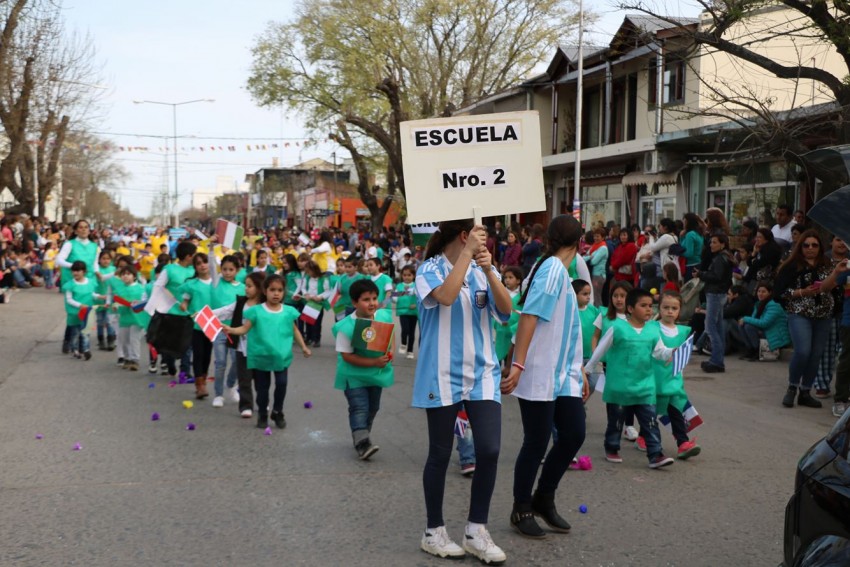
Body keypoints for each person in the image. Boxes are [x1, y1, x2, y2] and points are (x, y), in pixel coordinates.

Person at [413, 219, 512, 563]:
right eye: (479, 237)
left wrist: (487, 271)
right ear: (464, 236)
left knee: (489, 449)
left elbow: (506, 310)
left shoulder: (484, 267)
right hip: (441, 373)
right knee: (440, 453)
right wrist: (466, 257)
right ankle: (433, 531)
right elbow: (445, 296)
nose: (486, 244)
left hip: (483, 373)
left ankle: (476, 530)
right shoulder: (428, 268)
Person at [500, 215, 587, 540]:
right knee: (536, 443)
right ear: (579, 244)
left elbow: (566, 329)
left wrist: (578, 369)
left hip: (563, 373)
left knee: (574, 433)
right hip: (539, 370)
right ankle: (521, 507)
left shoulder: (557, 270)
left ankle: (543, 497)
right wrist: (518, 365)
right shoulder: (551, 270)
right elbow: (529, 317)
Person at [585, 287, 676, 468]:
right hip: (619, 385)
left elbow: (659, 352)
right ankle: (612, 447)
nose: (649, 310)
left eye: (650, 306)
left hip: (645, 386)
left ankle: (655, 454)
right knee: (616, 421)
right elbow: (601, 349)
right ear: (630, 309)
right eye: (643, 305)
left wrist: (673, 352)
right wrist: (587, 369)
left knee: (650, 422)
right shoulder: (617, 328)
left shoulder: (652, 330)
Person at [223, 274, 312, 429]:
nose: (276, 293)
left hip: (281, 356)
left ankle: (278, 411)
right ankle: (263, 413)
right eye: (272, 290)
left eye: (279, 290)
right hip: (261, 356)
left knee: (282, 384)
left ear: (284, 292)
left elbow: (294, 329)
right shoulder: (256, 311)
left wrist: (304, 347)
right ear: (265, 291)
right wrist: (231, 329)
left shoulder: (288, 311)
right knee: (263, 388)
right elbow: (245, 328)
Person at [332, 279, 395, 460]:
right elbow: (347, 356)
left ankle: (362, 434)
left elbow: (391, 334)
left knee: (372, 408)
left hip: (375, 376)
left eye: (374, 298)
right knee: (359, 408)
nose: (372, 303)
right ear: (354, 303)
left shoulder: (382, 316)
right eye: (366, 299)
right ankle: (362, 442)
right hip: (353, 376)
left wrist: (390, 352)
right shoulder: (346, 327)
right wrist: (374, 363)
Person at [775, 230, 836, 408]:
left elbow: (835, 287)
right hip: (799, 313)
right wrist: (801, 292)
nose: (810, 248)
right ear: (800, 246)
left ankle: (805, 391)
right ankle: (792, 388)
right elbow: (778, 293)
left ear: (820, 247)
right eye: (806, 245)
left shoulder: (828, 264)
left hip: (823, 315)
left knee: (816, 355)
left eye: (814, 245)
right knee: (803, 351)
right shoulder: (791, 266)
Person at [642, 292, 701, 459]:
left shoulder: (683, 331)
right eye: (666, 307)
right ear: (659, 308)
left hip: (674, 379)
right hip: (655, 378)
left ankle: (683, 443)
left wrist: (680, 374)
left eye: (674, 308)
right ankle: (642, 435)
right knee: (650, 410)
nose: (670, 311)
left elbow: (684, 354)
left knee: (676, 409)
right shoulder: (652, 328)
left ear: (679, 310)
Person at [213, 272, 265, 419]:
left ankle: (262, 403)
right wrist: (207, 314)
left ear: (260, 288)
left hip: (261, 348)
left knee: (261, 378)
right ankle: (246, 406)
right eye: (246, 286)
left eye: (249, 286)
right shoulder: (241, 302)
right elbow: (226, 311)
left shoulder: (265, 305)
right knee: (244, 378)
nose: (246, 289)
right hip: (242, 347)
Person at [693, 233, 733, 373]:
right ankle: (718, 360)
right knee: (718, 328)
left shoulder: (720, 258)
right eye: (711, 242)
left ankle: (716, 361)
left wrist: (701, 274)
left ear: (722, 244)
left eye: (714, 242)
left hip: (715, 294)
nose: (711, 245)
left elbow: (716, 277)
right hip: (719, 293)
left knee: (710, 327)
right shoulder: (724, 257)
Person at [210, 254, 247, 411]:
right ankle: (218, 394)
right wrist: (211, 249)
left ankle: (231, 385)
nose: (227, 272)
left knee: (237, 362)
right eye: (224, 269)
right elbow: (211, 263)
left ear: (237, 270)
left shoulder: (242, 287)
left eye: (231, 269)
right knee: (220, 363)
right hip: (218, 328)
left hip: (235, 329)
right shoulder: (216, 282)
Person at [813, 236, 848, 398]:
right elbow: (821, 285)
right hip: (828, 310)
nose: (841, 243)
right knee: (826, 349)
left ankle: (843, 388)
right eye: (838, 239)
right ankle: (822, 384)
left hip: (845, 312)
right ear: (831, 242)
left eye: (844, 240)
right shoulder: (823, 260)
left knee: (844, 352)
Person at [179, 253, 214, 402]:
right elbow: (185, 301)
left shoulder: (217, 283)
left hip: (213, 323)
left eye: (205, 262)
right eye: (198, 263)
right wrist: (184, 305)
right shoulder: (192, 284)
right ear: (195, 267)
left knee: (207, 355)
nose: (202, 265)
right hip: (197, 323)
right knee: (198, 354)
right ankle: (200, 385)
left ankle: (203, 379)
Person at [821, 256, 850, 417]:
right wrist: (836, 272)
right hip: (849, 322)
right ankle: (841, 400)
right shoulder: (847, 267)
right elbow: (825, 288)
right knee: (846, 361)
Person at [737, 281, 790, 361]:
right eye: (759, 291)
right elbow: (754, 320)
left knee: (748, 326)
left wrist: (745, 319)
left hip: (775, 336)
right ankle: (750, 350)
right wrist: (745, 320)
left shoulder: (774, 306)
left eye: (763, 292)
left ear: (770, 293)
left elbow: (764, 323)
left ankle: (757, 350)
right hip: (766, 332)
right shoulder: (759, 304)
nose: (760, 294)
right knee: (742, 325)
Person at [62, 260, 102, 360]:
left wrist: (100, 297)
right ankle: (75, 350)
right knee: (75, 333)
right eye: (73, 271)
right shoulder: (70, 285)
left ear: (84, 271)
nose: (75, 273)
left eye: (78, 271)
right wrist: (80, 305)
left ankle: (85, 349)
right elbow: (69, 299)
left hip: (87, 312)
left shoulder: (90, 282)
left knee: (86, 331)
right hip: (75, 313)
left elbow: (91, 294)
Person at [114, 266, 146, 371]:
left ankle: (135, 359)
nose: (125, 276)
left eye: (128, 274)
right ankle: (127, 358)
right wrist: (114, 306)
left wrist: (137, 304)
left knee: (134, 339)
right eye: (123, 274)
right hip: (124, 317)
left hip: (137, 318)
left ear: (134, 276)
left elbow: (144, 302)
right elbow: (116, 301)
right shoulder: (119, 289)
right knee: (124, 339)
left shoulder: (141, 288)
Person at [393, 265, 418, 360]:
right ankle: (403, 343)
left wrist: (416, 304)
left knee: (412, 332)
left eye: (409, 275)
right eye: (404, 275)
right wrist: (395, 298)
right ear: (402, 275)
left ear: (413, 276)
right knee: (405, 329)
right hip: (402, 311)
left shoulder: (416, 286)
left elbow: (420, 298)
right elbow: (394, 298)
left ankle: (410, 351)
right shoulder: (399, 286)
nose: (406, 277)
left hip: (413, 312)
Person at [583, 228, 608, 307]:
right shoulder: (595, 246)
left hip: (599, 275)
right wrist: (590, 256)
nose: (595, 238)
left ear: (603, 237)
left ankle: (600, 315)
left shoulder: (603, 248)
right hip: (594, 274)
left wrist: (589, 257)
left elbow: (594, 262)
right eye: (595, 236)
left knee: (596, 297)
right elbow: (584, 257)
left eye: (598, 236)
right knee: (594, 296)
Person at [681, 213, 704, 281]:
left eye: (685, 222)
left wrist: (679, 253)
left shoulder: (690, 235)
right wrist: (682, 237)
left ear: (689, 223)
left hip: (690, 265)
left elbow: (689, 253)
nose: (683, 224)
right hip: (698, 263)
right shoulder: (698, 233)